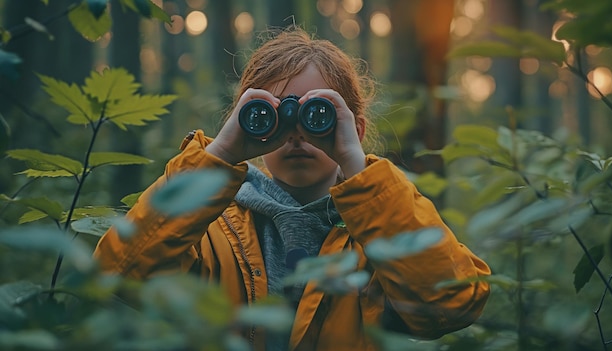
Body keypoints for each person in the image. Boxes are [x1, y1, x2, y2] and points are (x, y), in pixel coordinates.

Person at [94, 26, 491, 351]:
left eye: (316, 114)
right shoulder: (209, 229)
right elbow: (119, 274)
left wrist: (358, 168)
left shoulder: (379, 231)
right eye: (271, 113)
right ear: (244, 121)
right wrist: (219, 155)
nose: (296, 135)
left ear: (356, 130)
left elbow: (451, 304)